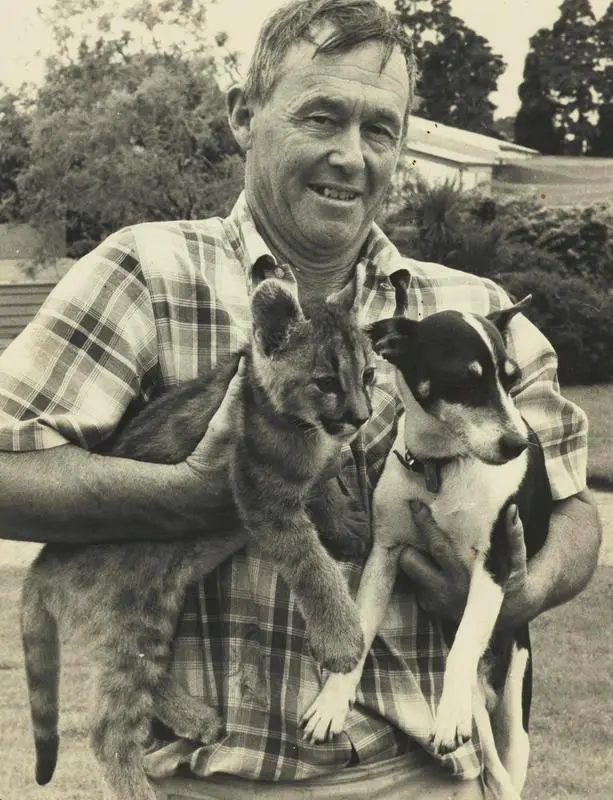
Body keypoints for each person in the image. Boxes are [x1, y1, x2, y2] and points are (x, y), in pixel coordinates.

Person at [0, 1, 601, 798]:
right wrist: (181, 495)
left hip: (427, 775)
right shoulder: (144, 271)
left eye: (380, 130)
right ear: (244, 115)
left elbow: (574, 511)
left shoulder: (471, 314)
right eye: (322, 116)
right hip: (215, 780)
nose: (350, 156)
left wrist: (511, 592)